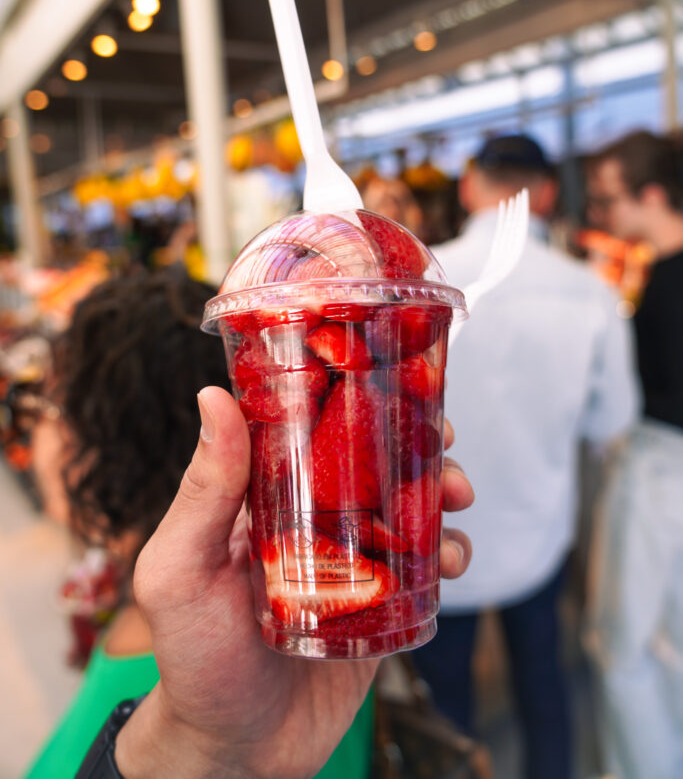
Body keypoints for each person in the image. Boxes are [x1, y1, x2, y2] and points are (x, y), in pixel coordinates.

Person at [27, 268, 475, 779]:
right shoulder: (299, 599)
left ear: (104, 440)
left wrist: (189, 744)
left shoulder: (197, 648)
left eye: (47, 406)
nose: (36, 428)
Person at [412, 134, 639, 779]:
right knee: (545, 693)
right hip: (537, 536)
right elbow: (612, 422)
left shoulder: (419, 284)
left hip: (437, 542)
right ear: (546, 196)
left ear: (468, 187)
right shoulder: (589, 292)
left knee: (443, 718)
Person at [584, 130, 683, 779]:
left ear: (649, 196)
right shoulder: (652, 276)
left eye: (608, 200)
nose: (603, 217)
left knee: (619, 645)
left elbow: (623, 409)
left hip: (657, 471)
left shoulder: (664, 283)